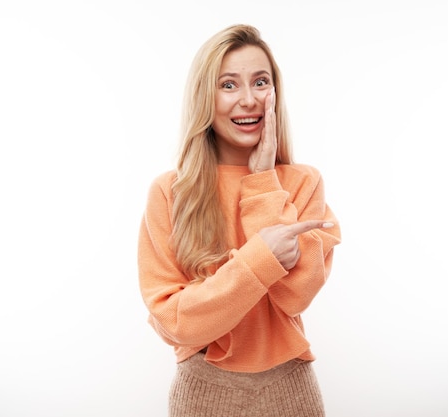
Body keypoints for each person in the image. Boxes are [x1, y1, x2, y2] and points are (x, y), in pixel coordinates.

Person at [137, 23, 341, 417]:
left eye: (260, 82)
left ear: (274, 93)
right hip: (202, 390)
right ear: (204, 96)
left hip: (291, 389)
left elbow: (296, 295)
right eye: (228, 85)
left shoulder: (302, 183)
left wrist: (264, 183)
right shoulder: (169, 192)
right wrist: (260, 257)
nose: (248, 99)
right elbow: (177, 322)